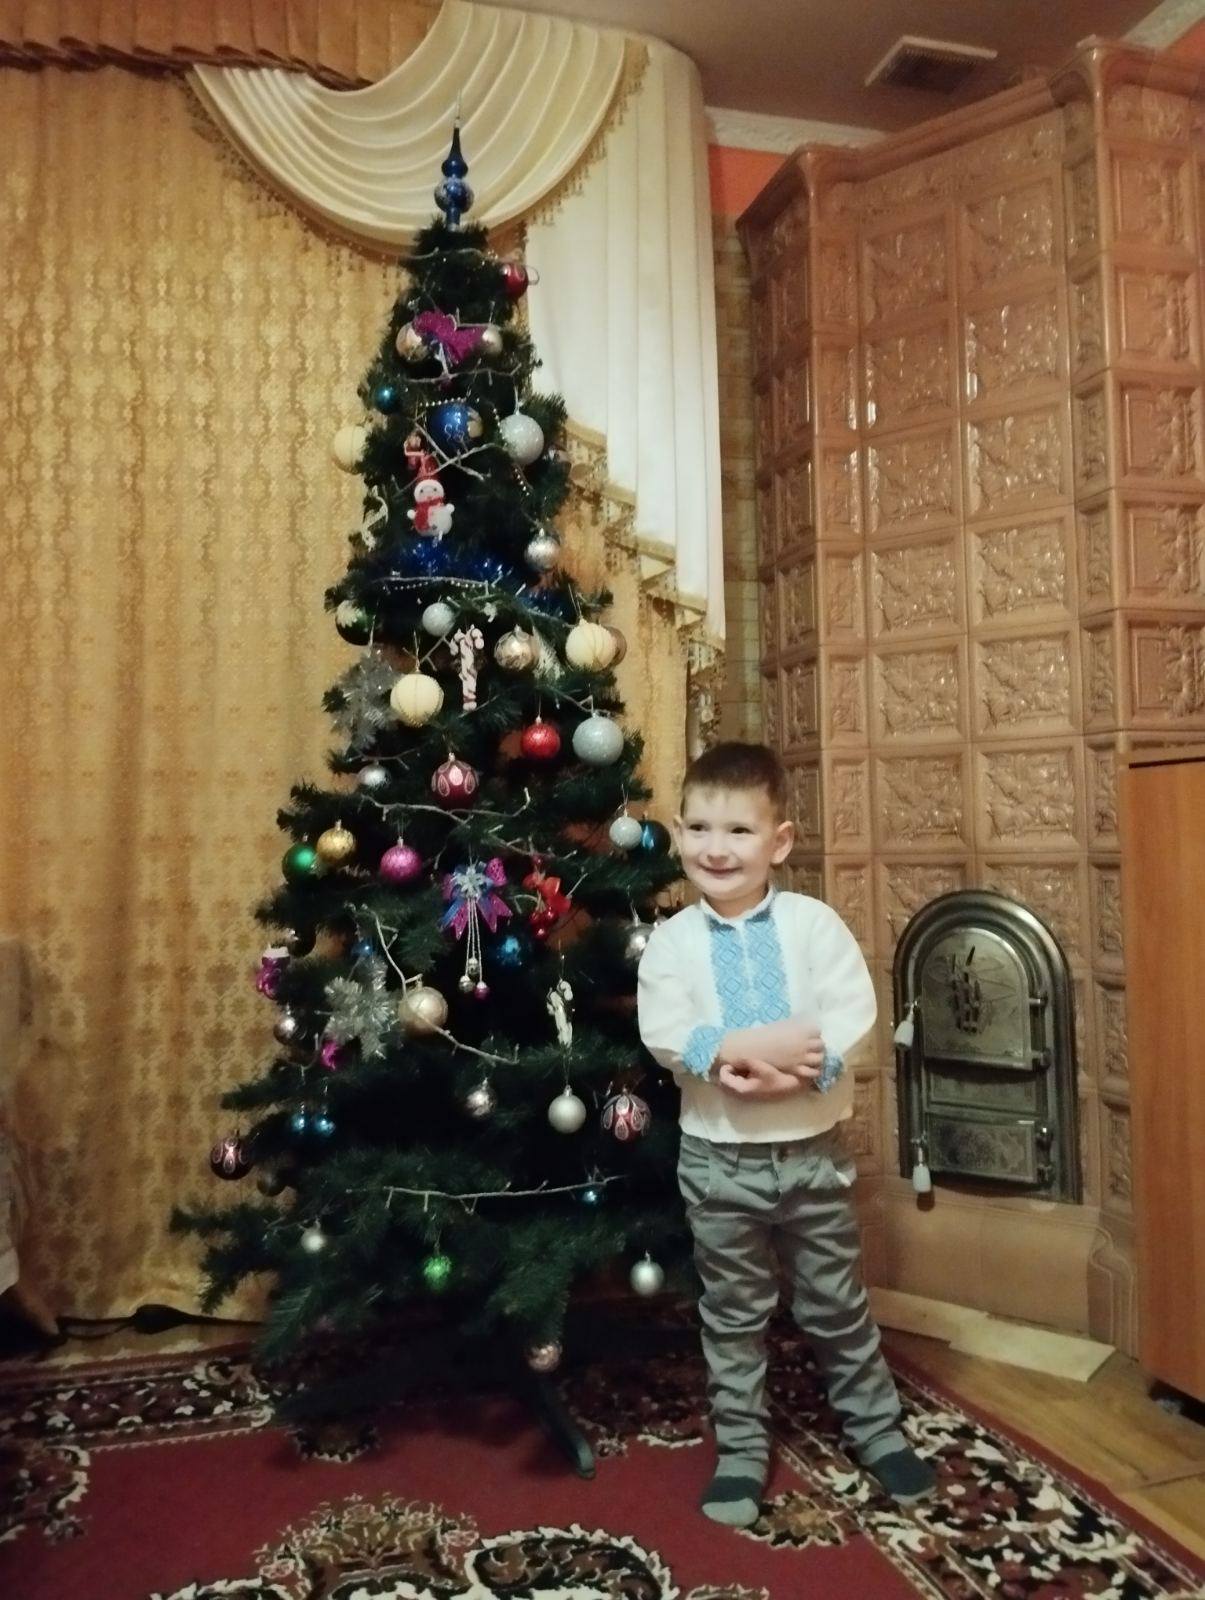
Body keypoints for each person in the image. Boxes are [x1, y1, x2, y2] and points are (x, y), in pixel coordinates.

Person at [637, 741, 937, 1528]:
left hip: (811, 1156)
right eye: (700, 828)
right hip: (717, 1160)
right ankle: (741, 1449)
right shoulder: (672, 942)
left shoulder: (813, 926)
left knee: (835, 1303)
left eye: (738, 831)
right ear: (678, 834)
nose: (716, 848)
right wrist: (741, 1048)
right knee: (733, 1312)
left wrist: (794, 1072)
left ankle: (876, 1430)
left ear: (778, 842)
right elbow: (666, 1030)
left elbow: (850, 1015)